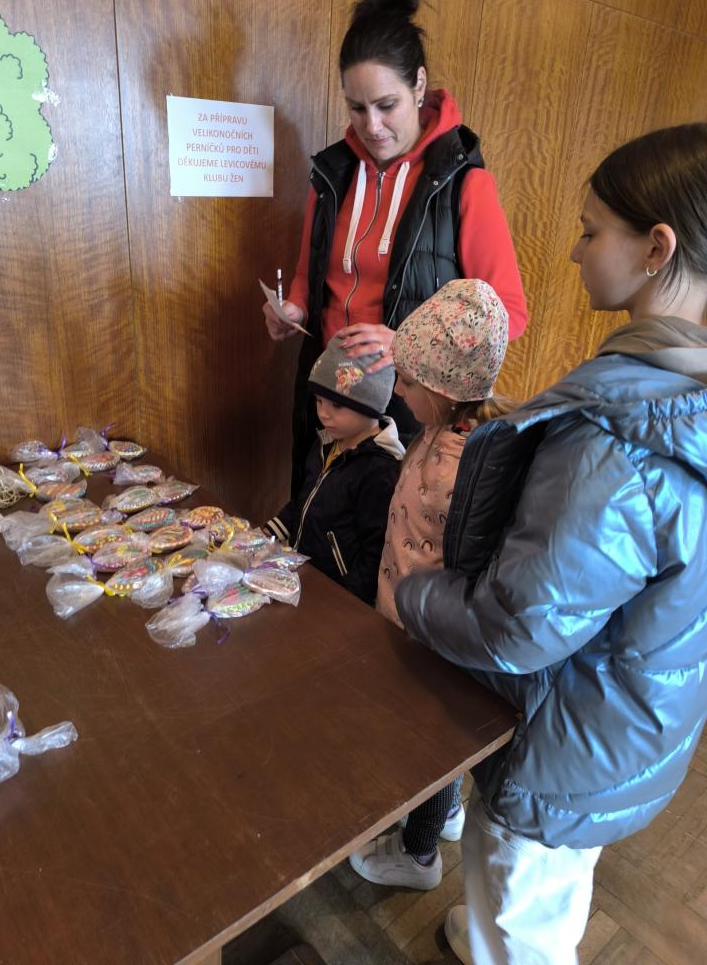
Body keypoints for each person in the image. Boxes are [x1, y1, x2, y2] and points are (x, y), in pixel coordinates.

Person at [394, 122, 707, 964]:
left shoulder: (617, 442)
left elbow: (518, 627)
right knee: (544, 884)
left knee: (522, 897)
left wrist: (415, 595)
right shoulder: (678, 402)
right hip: (632, 723)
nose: (574, 252)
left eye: (590, 231)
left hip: (565, 744)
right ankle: (485, 935)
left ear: (656, 248)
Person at [262, 0, 527, 494]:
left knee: (385, 534)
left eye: (387, 105)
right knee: (315, 516)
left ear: (419, 86)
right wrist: (292, 308)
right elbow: (308, 274)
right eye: (357, 108)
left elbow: (508, 316)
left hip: (407, 410)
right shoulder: (333, 174)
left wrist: (408, 344)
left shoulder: (464, 184)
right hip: (327, 394)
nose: (372, 125)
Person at [348, 278, 513, 891]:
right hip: (415, 622)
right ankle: (443, 814)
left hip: (427, 635)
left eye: (408, 382)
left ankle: (418, 855)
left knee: (428, 745)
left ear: (442, 390)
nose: (398, 391)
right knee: (434, 742)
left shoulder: (456, 466)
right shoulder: (442, 433)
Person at [265, 339, 403, 604]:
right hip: (303, 576)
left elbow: (374, 556)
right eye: (319, 401)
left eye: (336, 405)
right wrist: (265, 535)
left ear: (371, 406)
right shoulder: (326, 443)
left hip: (337, 594)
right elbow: (303, 502)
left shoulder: (380, 469)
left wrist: (344, 602)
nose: (323, 414)